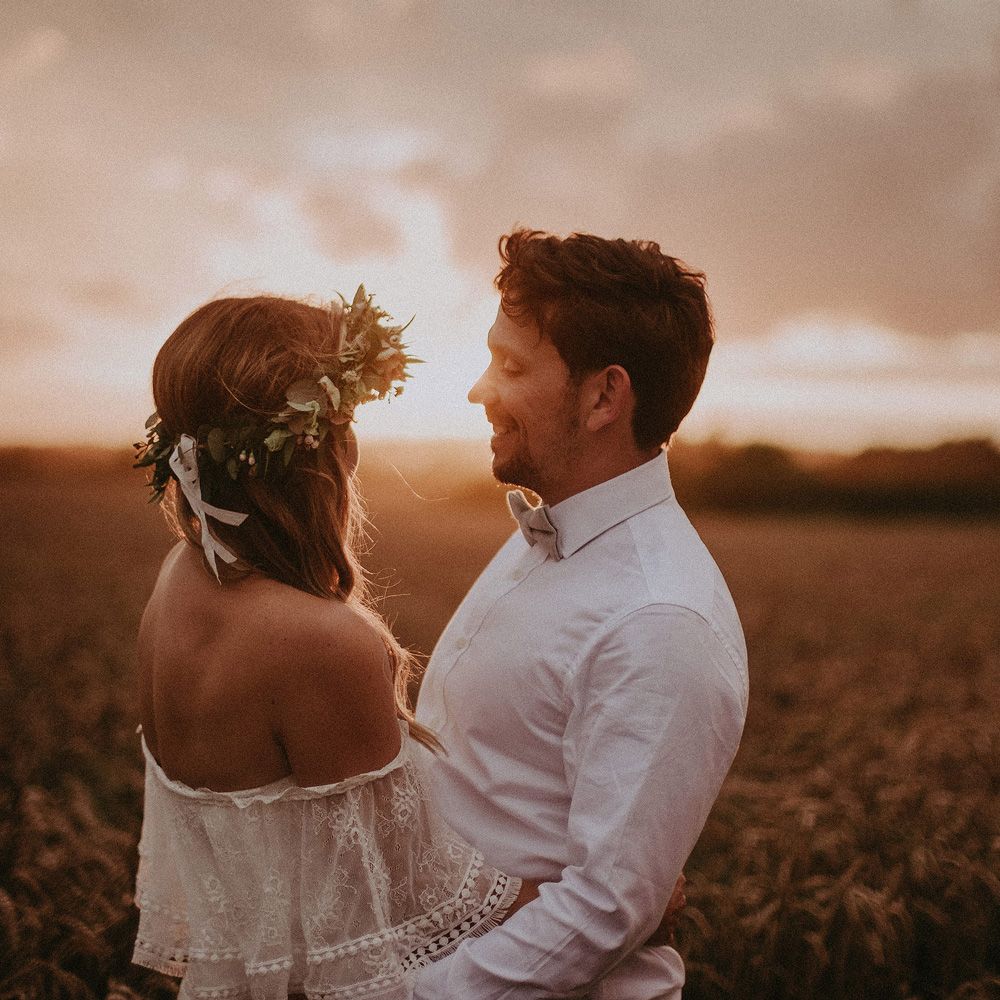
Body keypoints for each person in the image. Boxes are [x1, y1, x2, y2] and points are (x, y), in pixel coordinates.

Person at [129, 288, 543, 999]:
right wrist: (611, 905)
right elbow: (414, 897)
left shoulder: (180, 580)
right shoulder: (321, 642)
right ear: (334, 446)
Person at [412, 230, 750, 1000]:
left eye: (511, 367)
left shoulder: (659, 618)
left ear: (604, 396)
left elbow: (604, 910)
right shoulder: (547, 533)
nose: (478, 389)